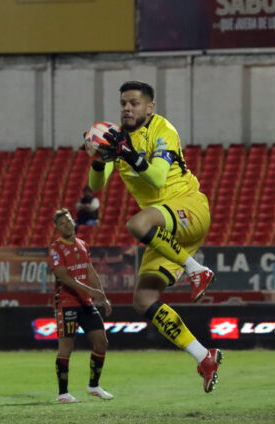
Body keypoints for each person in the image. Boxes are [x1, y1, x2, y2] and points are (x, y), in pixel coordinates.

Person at [89, 80, 221, 393]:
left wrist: (127, 153)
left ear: (150, 107)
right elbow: (97, 185)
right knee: (143, 300)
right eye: (123, 103)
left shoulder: (163, 130)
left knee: (136, 224)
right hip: (164, 230)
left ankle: (196, 269)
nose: (127, 108)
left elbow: (159, 176)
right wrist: (98, 158)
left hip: (189, 207)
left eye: (134, 103)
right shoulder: (117, 139)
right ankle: (204, 356)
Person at [48, 209, 113, 403]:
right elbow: (63, 277)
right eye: (61, 224)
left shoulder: (82, 244)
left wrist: (101, 295)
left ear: (73, 221)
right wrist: (90, 291)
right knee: (67, 346)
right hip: (66, 302)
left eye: (68, 221)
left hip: (86, 302)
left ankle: (94, 385)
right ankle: (63, 393)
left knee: (102, 342)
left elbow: (89, 269)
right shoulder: (56, 248)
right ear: (57, 228)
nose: (66, 225)